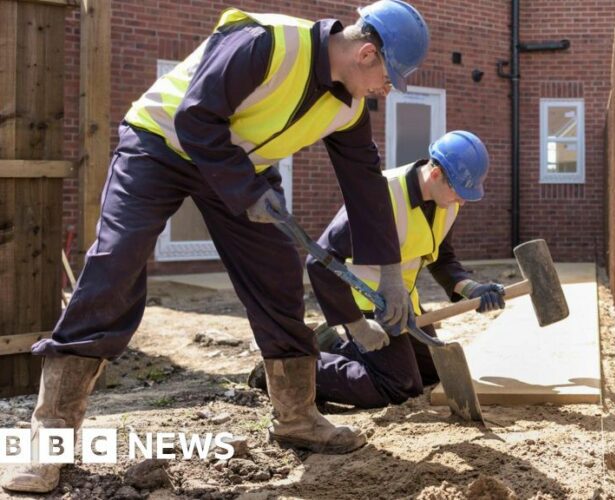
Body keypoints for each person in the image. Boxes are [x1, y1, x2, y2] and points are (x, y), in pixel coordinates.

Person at [2, 0, 429, 493]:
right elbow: (196, 118)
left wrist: (391, 272)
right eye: (390, 79)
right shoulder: (265, 42)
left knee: (279, 279)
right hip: (160, 144)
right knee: (114, 267)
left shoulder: (348, 106)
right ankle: (48, 439)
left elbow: (365, 184)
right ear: (367, 53)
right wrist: (247, 194)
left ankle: (296, 417)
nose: (387, 91)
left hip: (240, 166)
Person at [306, 131, 506, 409]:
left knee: (432, 372)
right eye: (459, 192)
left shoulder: (446, 203)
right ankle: (296, 366)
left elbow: (442, 259)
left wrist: (471, 289)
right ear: (435, 173)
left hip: (404, 305)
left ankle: (337, 349)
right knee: (398, 385)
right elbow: (319, 260)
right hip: (367, 306)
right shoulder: (380, 193)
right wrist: (357, 325)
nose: (461, 201)